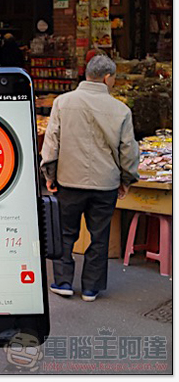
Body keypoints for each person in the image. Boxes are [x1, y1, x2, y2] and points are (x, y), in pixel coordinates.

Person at [40, 55, 139, 302]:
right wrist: (127, 179)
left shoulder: (63, 103)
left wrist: (49, 174)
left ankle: (63, 282)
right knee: (99, 235)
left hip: (68, 180)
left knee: (65, 233)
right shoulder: (121, 110)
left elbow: (51, 143)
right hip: (105, 183)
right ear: (107, 78)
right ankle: (90, 288)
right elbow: (128, 150)